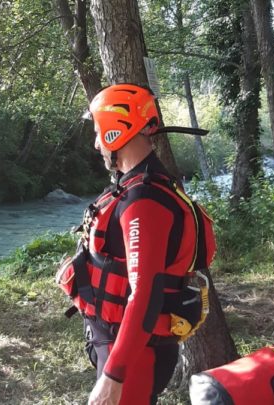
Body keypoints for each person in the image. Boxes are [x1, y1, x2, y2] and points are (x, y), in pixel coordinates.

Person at [56, 83, 216, 405]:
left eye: (99, 131)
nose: (97, 143)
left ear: (116, 131)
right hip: (119, 344)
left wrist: (113, 376)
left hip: (133, 357)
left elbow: (145, 294)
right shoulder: (134, 187)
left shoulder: (145, 201)